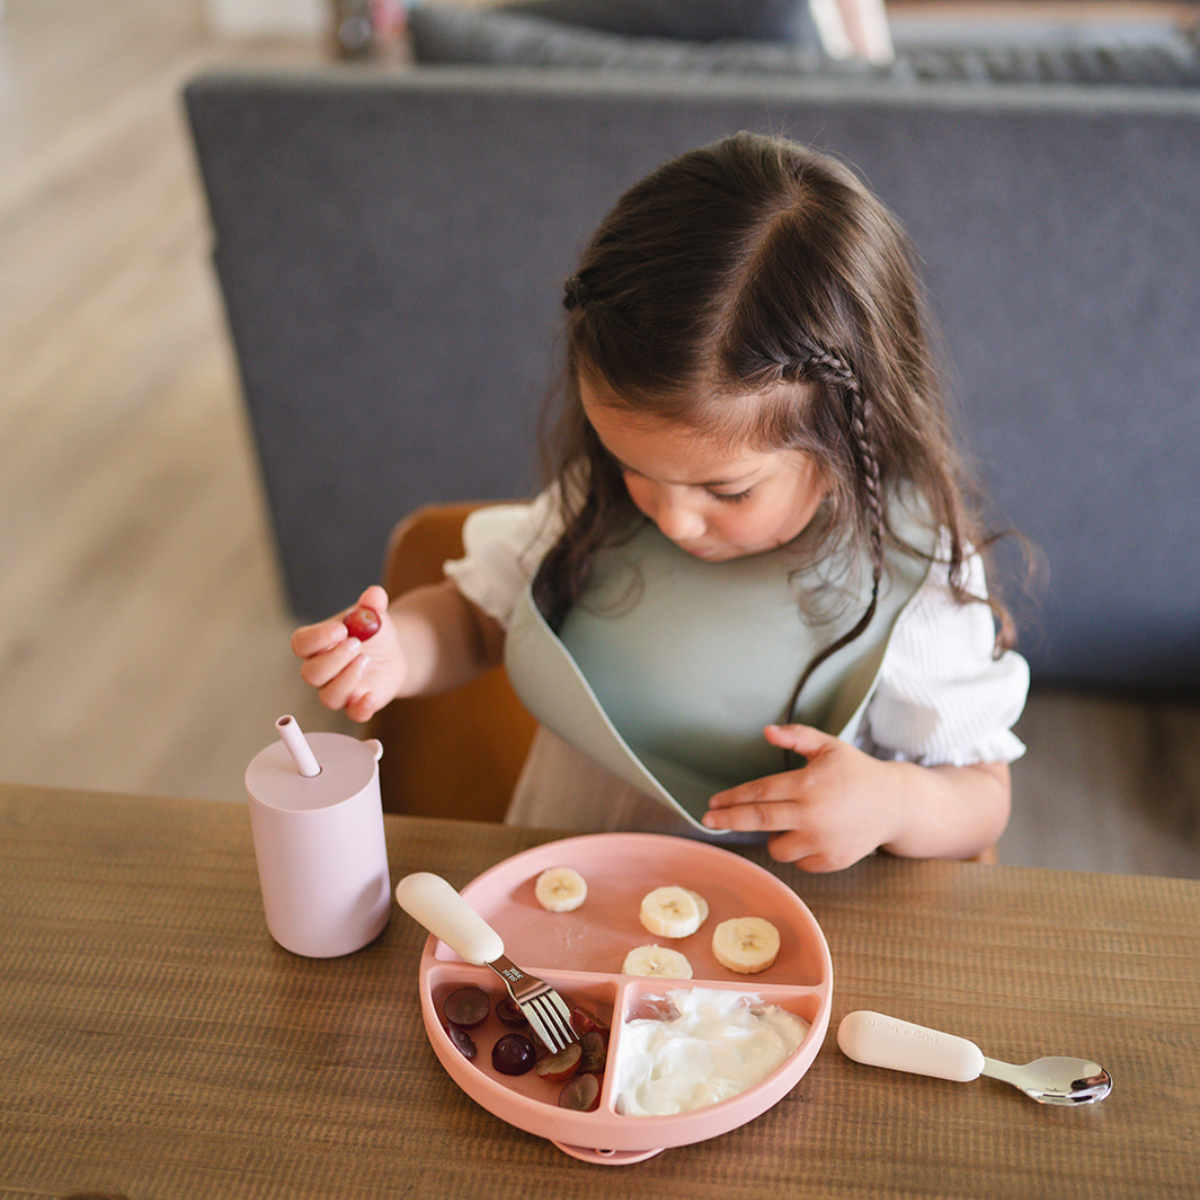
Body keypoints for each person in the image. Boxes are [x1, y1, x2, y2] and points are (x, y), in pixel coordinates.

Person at [292, 133, 1029, 872]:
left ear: (849, 432)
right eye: (631, 466)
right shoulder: (600, 505)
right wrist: (397, 652)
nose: (672, 518)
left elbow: (981, 796)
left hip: (777, 943)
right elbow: (478, 624)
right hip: (569, 900)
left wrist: (895, 802)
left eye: (727, 490)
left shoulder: (913, 584)